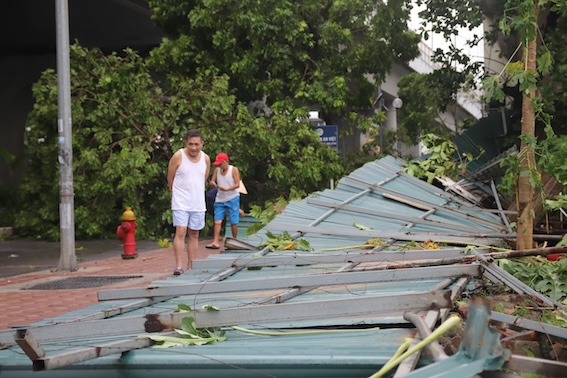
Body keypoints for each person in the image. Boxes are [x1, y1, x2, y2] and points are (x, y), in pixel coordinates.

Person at [167, 129, 210, 275]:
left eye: (196, 144)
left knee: (194, 233)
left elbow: (204, 177)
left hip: (197, 202)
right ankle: (179, 266)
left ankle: (191, 266)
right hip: (181, 201)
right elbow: (170, 177)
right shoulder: (178, 156)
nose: (193, 147)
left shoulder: (206, 158)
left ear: (202, 144)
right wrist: (176, 193)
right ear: (186, 143)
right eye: (190, 144)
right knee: (181, 231)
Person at [206, 152, 240, 249]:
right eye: (218, 164)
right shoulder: (217, 170)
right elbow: (212, 181)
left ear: (226, 162)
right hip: (220, 198)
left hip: (232, 197)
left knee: (233, 221)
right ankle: (215, 241)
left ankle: (234, 240)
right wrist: (212, 183)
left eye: (221, 164)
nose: (220, 166)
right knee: (217, 220)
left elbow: (237, 184)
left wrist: (227, 189)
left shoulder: (233, 170)